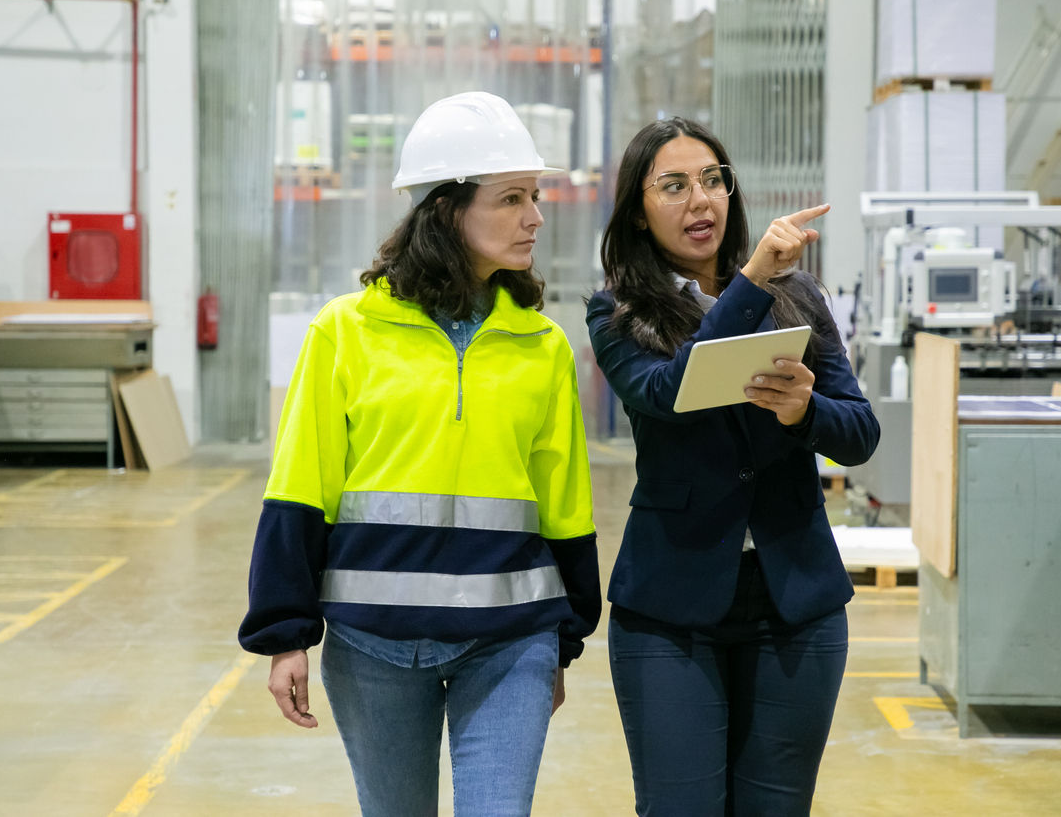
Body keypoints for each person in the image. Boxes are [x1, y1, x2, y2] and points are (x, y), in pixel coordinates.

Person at [238, 91, 601, 817]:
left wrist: (562, 639)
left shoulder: (543, 345)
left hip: (511, 644)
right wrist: (285, 635)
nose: (535, 216)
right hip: (372, 642)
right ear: (447, 209)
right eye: (511, 198)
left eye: (534, 196)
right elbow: (302, 484)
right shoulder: (344, 332)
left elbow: (564, 500)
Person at [586, 117, 880, 816]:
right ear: (637, 208)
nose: (702, 201)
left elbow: (860, 433)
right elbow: (669, 395)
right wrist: (749, 281)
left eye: (714, 181)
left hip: (795, 604)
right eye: (676, 186)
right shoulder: (618, 311)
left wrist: (804, 412)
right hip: (671, 611)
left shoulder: (798, 298)